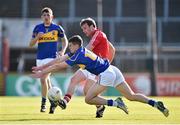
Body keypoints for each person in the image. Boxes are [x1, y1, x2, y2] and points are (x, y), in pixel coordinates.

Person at [31, 35, 169, 117]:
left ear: (75, 45)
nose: (69, 49)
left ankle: (115, 103)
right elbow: (59, 61)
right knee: (131, 96)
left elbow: (58, 66)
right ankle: (155, 103)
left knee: (89, 99)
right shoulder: (81, 51)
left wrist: (42, 73)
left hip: (106, 73)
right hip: (112, 69)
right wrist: (42, 69)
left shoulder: (78, 55)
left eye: (70, 46)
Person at [61, 17, 115, 118]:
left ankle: (102, 107)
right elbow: (112, 49)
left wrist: (106, 66)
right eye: (83, 29)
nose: (84, 31)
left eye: (85, 28)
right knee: (74, 79)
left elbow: (88, 48)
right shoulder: (98, 36)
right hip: (89, 65)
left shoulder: (99, 34)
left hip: (96, 68)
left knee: (87, 91)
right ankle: (64, 101)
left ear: (92, 26)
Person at [29, 7, 68, 114]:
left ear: (52, 17)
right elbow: (31, 44)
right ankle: (55, 101)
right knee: (46, 81)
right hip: (40, 58)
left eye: (48, 15)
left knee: (43, 78)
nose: (46, 17)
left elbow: (65, 40)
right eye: (44, 15)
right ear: (42, 17)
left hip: (51, 58)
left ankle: (43, 104)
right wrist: (37, 37)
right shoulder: (37, 28)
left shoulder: (57, 28)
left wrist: (62, 51)